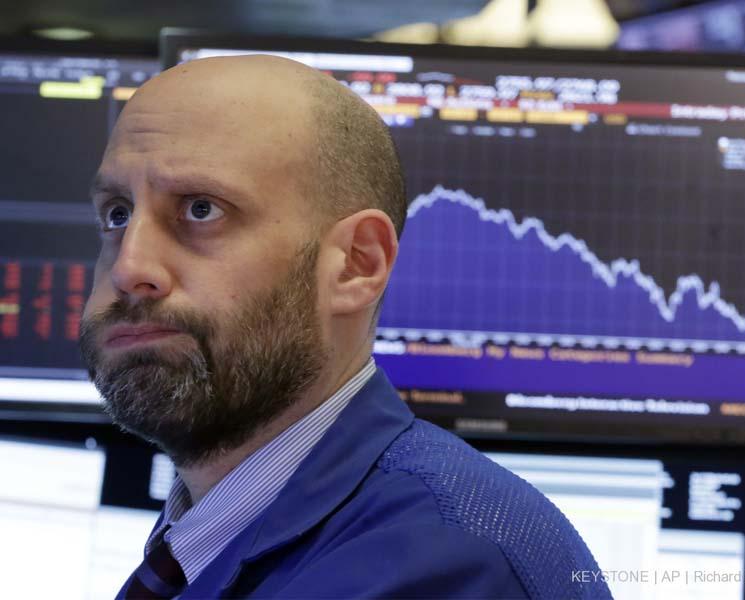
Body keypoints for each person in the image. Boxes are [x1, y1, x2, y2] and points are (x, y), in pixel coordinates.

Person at [78, 55, 611, 599]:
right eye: (118, 214)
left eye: (200, 209)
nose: (128, 268)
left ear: (357, 264)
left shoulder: (443, 568)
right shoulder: (210, 534)